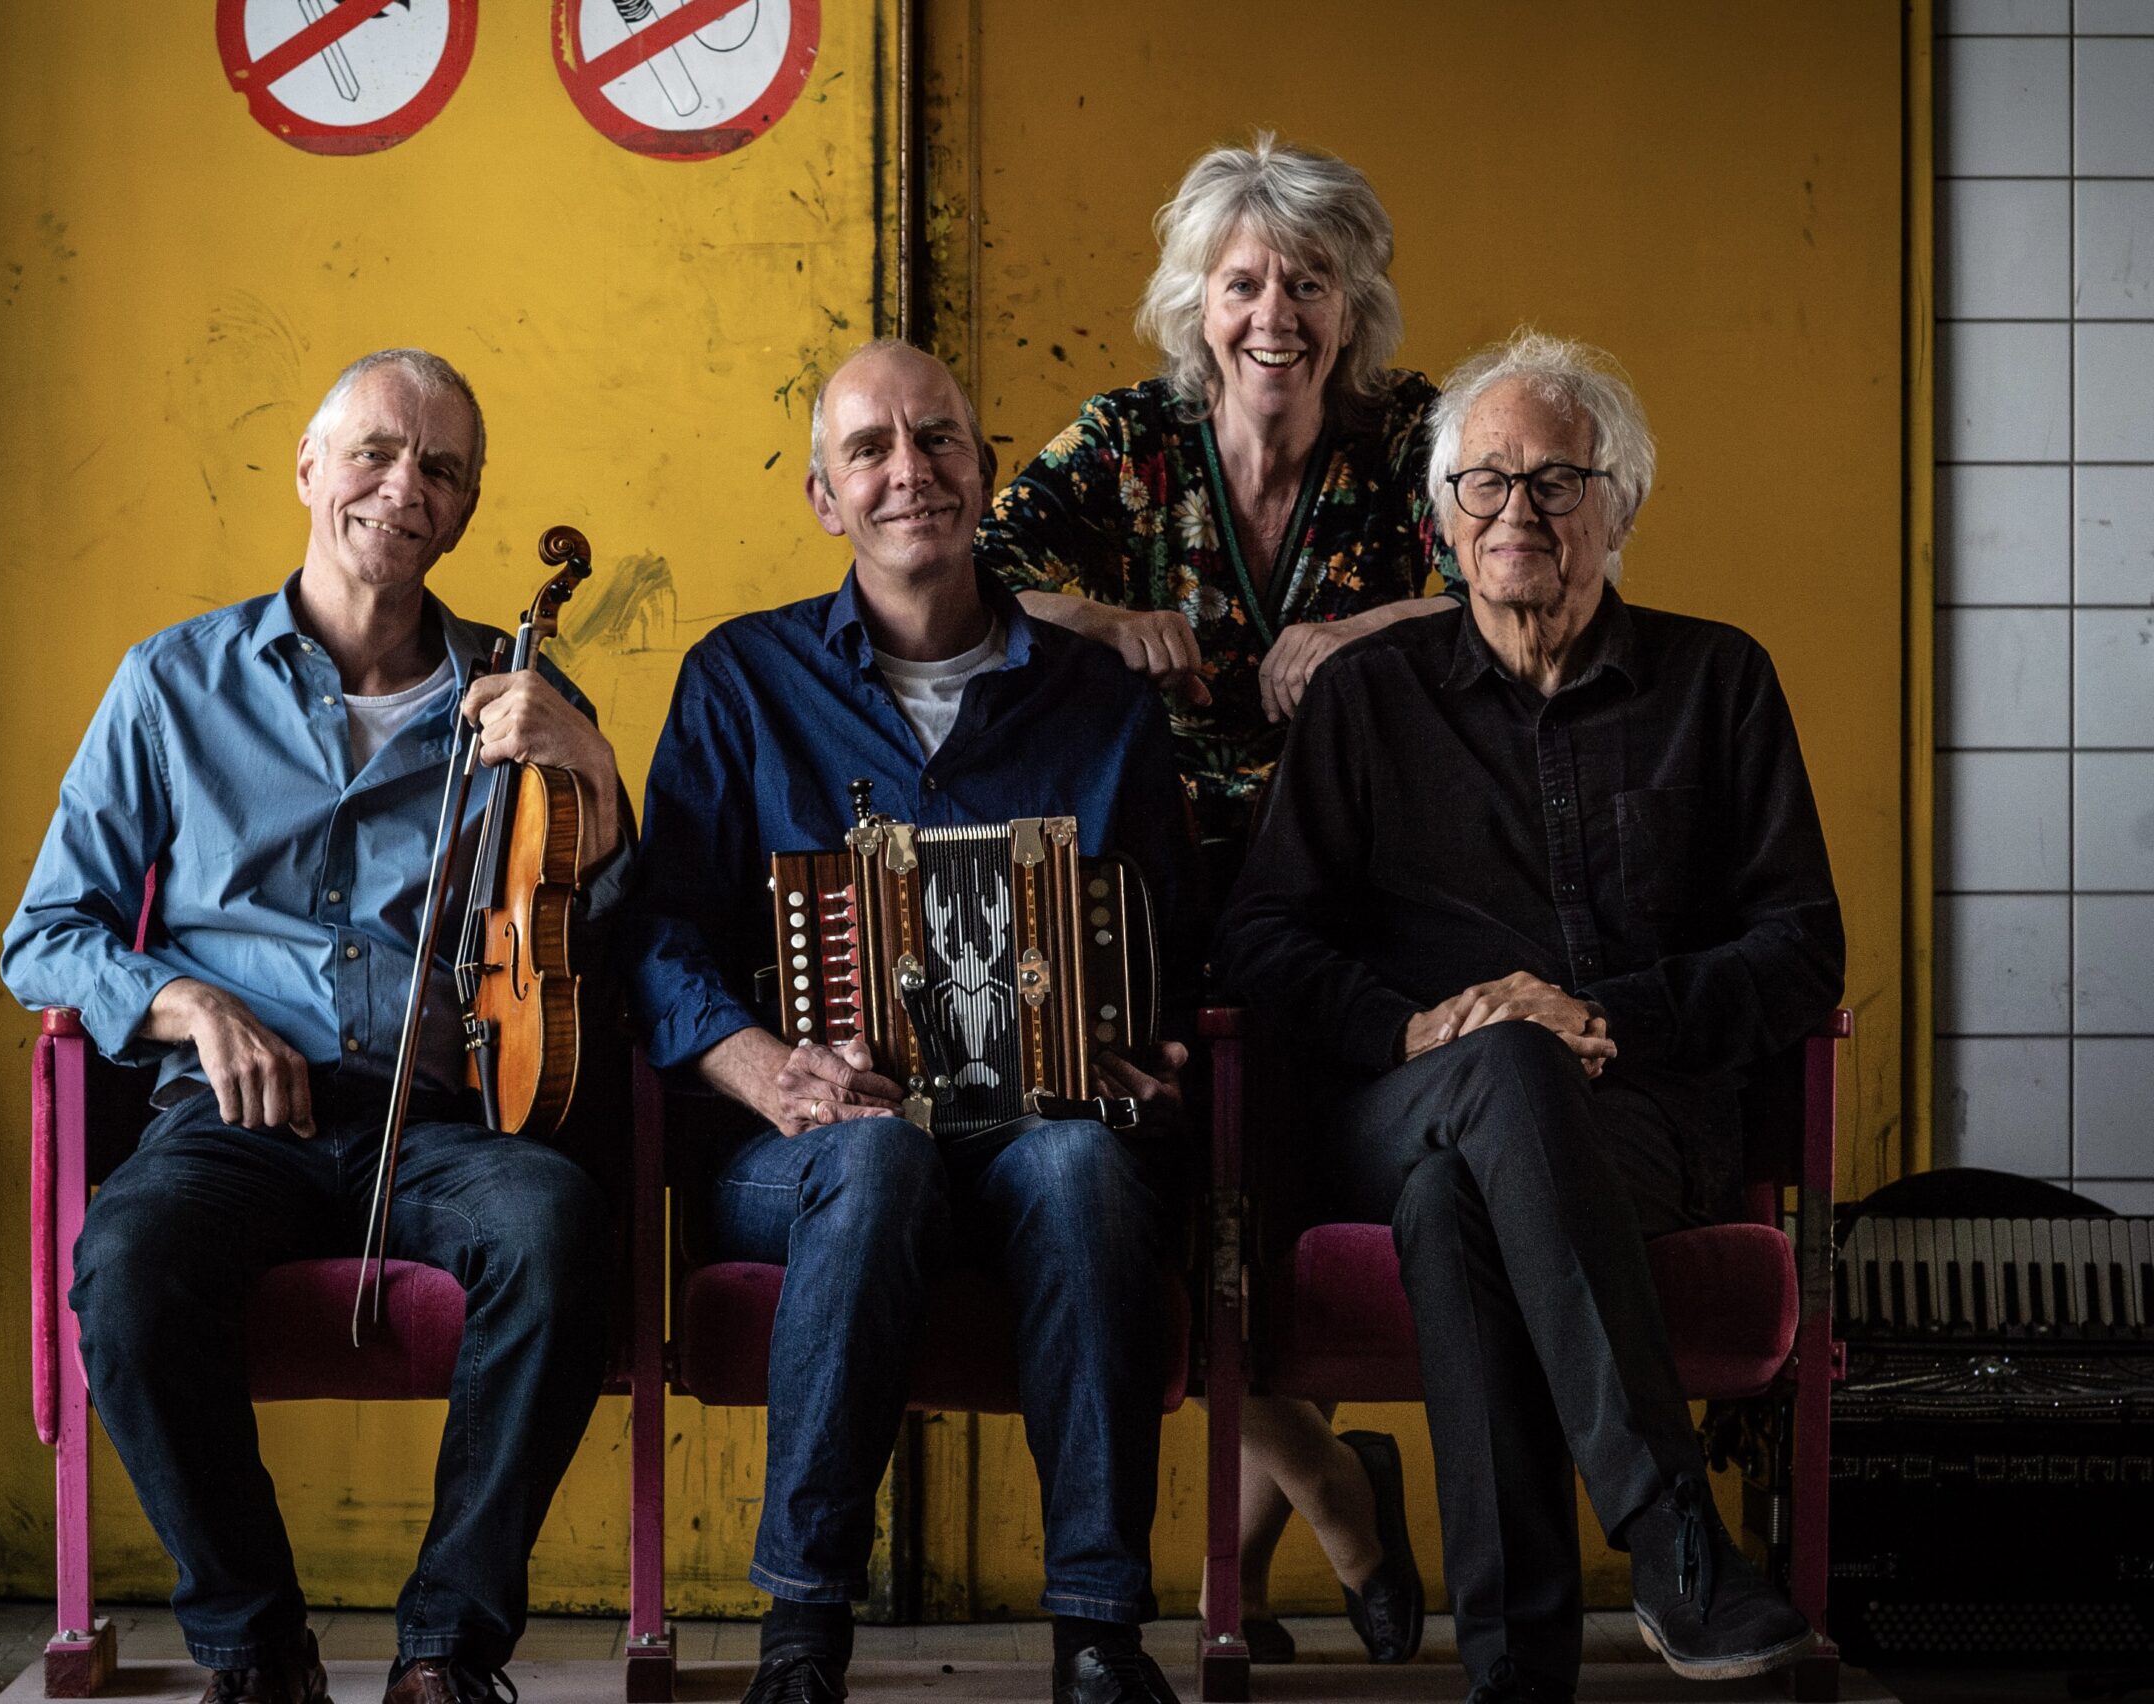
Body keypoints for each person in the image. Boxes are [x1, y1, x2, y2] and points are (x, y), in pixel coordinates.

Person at [1215, 330, 1843, 1704]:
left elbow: (1802, 951)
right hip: (1400, 1100)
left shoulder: (1717, 682)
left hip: (1642, 1124)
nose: (1519, 511)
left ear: (1623, 507)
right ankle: (1673, 1536)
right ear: (1445, 520)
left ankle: (1514, 1670)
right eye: (1486, 482)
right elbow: (1261, 941)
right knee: (1486, 1083)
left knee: (1458, 1206)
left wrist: (1600, 1016)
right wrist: (1414, 1031)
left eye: (1559, 481)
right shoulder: (1368, 699)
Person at [2, 348, 633, 1704]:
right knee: (127, 1265)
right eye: (375, 453)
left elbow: (613, 935)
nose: (404, 487)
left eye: (441, 469)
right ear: (308, 468)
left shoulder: (521, 696)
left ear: (465, 511)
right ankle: (254, 1645)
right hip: (233, 1121)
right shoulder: (171, 683)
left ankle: (445, 1650)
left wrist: (594, 772)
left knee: (558, 1229)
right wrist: (185, 1001)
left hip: (444, 1122)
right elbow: (46, 931)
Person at [623, 340, 1198, 1704]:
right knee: (877, 1158)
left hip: (1033, 1137)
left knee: (1081, 1164)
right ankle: (801, 1631)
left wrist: (1153, 1050)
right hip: (803, 1152)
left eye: (937, 440)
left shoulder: (1102, 703)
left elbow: (1175, 943)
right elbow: (653, 934)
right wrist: (765, 1068)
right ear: (825, 496)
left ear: (985, 472)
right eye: (869, 449)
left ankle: (1100, 1635)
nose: (909, 472)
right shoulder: (741, 680)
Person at [976, 133, 1447, 1665]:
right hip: (1153, 898)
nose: (1274, 316)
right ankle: (1333, 1490)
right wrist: (1105, 618)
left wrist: (1365, 632)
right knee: (1163, 1210)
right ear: (1197, 299)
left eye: (1308, 282)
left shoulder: (1415, 436)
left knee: (1288, 1207)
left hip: (1354, 899)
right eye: (1243, 282)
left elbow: (1513, 585)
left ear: (1352, 301)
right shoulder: (1133, 438)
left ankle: (1235, 1586)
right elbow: (966, 575)